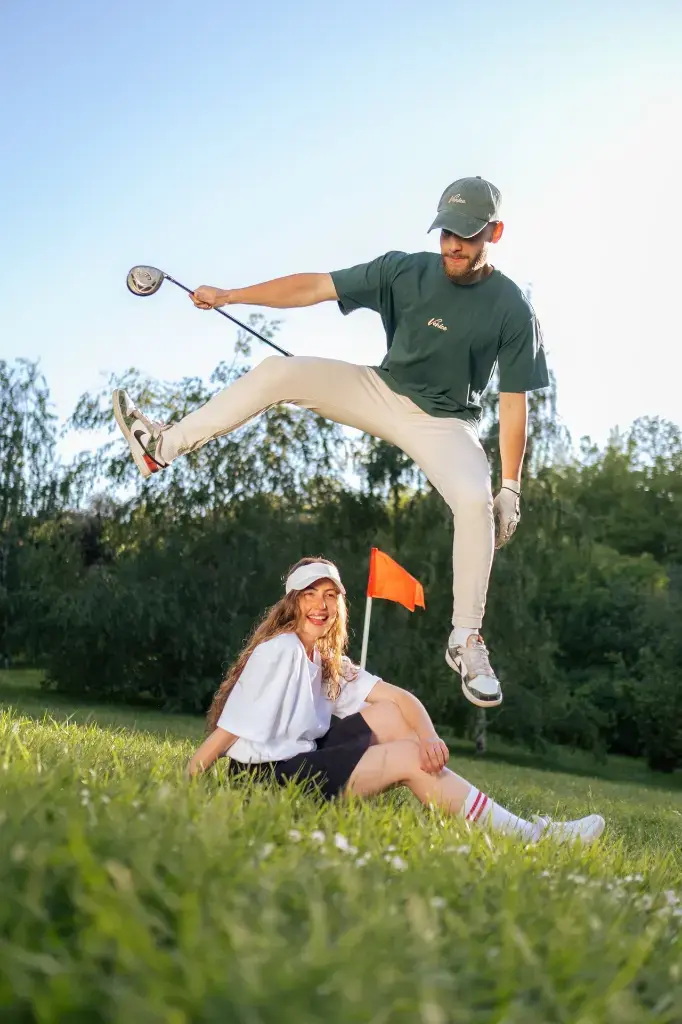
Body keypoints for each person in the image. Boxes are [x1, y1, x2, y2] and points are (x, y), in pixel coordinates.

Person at [114, 175, 549, 709]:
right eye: (445, 233)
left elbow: (513, 402)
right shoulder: (403, 270)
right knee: (279, 371)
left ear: (494, 232)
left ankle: (465, 640)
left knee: (475, 501)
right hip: (381, 389)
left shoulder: (511, 308)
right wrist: (231, 295)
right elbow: (313, 286)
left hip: (445, 423)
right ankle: (161, 445)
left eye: (467, 234)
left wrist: (511, 486)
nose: (453, 245)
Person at [186, 556, 605, 846]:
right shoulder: (279, 651)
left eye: (330, 595)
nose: (320, 605)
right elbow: (231, 729)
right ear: (292, 603)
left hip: (300, 757)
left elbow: (401, 699)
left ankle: (444, 800)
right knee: (407, 757)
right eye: (310, 594)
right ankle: (531, 835)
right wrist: (190, 783)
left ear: (340, 604)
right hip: (266, 780)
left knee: (392, 719)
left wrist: (430, 737)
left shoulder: (325, 659)